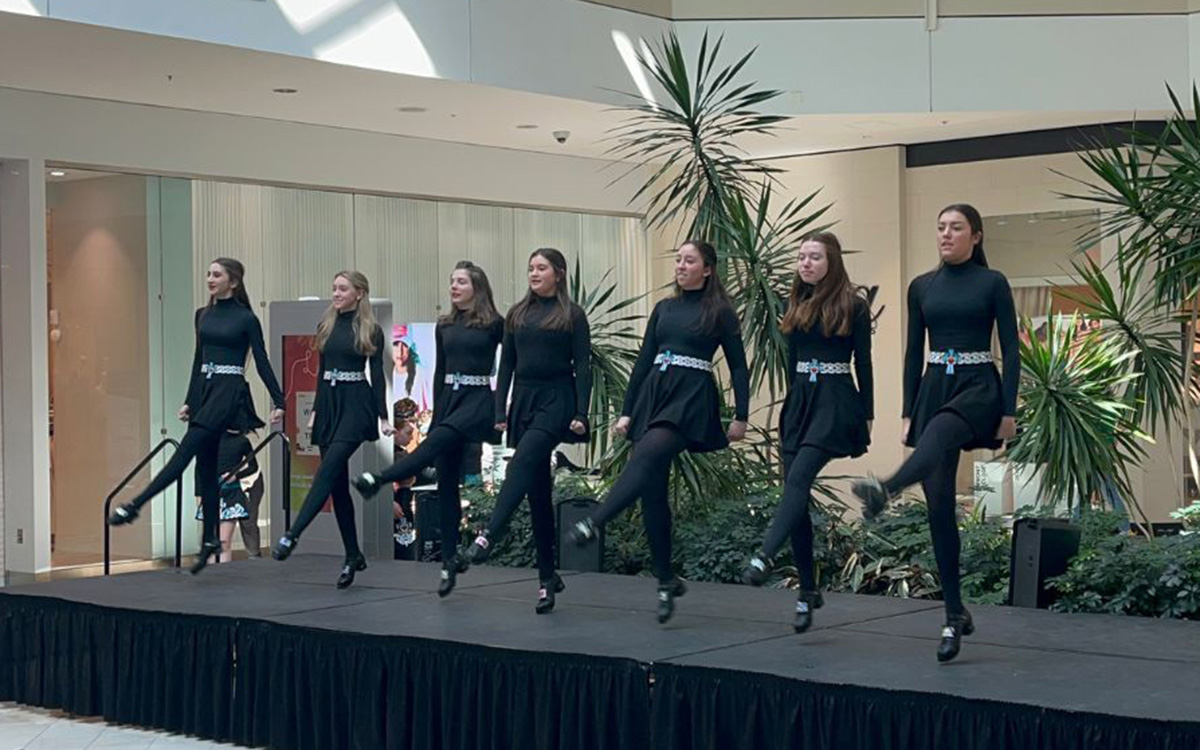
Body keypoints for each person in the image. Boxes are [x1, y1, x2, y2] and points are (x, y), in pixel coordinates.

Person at [852, 203, 1019, 663]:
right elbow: (911, 353)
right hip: (933, 386)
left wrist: (1009, 409)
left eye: (956, 228)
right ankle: (953, 615)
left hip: (978, 386)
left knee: (944, 431)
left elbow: (1012, 348)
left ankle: (885, 489)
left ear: (977, 236)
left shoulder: (993, 283)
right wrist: (908, 410)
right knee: (940, 509)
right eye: (941, 227)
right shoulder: (921, 287)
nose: (946, 235)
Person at [568, 240, 748, 624]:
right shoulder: (664, 308)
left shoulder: (720, 311)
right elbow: (644, 360)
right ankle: (666, 580)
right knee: (651, 490)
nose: (681, 266)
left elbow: (739, 367)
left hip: (690, 399)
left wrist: (741, 416)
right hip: (654, 393)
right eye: (678, 260)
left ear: (708, 269)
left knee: (650, 453)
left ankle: (596, 521)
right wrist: (627, 412)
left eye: (689, 261)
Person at [108, 258, 284, 575]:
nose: (209, 279)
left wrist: (279, 400)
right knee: (205, 468)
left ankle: (135, 505)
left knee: (184, 454)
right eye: (208, 274)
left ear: (233, 281)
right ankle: (209, 543)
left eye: (216, 274)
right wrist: (190, 400)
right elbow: (198, 359)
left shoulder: (246, 319)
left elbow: (261, 361)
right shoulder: (202, 315)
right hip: (205, 392)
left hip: (229, 392)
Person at [740, 232, 873, 633]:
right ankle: (808, 592)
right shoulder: (793, 303)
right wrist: (790, 404)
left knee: (798, 479)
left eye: (814, 257)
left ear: (831, 261)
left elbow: (864, 363)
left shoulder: (854, 305)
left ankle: (763, 555)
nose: (806, 263)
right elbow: (793, 360)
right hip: (800, 402)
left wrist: (868, 414)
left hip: (834, 404)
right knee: (794, 497)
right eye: (801, 257)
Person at [353, 260, 504, 595]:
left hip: (478, 399)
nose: (453, 286)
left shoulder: (494, 324)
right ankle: (449, 563)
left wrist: (502, 407)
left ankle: (378, 478)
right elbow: (439, 373)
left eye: (461, 281)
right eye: (451, 281)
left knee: (435, 446)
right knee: (447, 483)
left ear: (476, 287)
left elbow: (508, 366)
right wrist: (436, 414)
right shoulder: (445, 324)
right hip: (450, 399)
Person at [460, 248, 592, 614]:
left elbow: (583, 365)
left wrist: (582, 411)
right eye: (531, 267)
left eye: (541, 268)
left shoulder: (572, 315)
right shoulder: (518, 315)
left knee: (524, 458)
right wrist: (499, 410)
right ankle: (547, 580)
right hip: (525, 401)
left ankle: (490, 535)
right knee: (537, 497)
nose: (534, 273)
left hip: (558, 400)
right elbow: (507, 369)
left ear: (559, 274)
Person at [271, 271, 392, 589]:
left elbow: (377, 374)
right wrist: (316, 412)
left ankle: (292, 534)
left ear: (360, 293)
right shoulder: (325, 325)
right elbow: (322, 372)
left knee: (327, 469)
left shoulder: (370, 329)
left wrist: (383, 416)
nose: (336, 294)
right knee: (337, 485)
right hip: (330, 405)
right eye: (334, 289)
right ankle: (353, 555)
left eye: (342, 289)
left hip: (356, 406)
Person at [194, 428, 260, 563]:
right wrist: (200, 493)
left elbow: (253, 466)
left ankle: (219, 573)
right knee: (216, 540)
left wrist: (236, 476)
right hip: (218, 490)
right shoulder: (213, 438)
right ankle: (212, 573)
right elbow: (200, 466)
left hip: (229, 491)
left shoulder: (240, 441)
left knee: (222, 541)